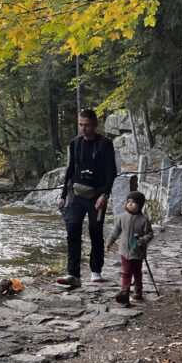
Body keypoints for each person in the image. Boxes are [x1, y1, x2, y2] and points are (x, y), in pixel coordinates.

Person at [55, 109, 117, 287]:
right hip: (76, 193)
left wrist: (105, 194)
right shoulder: (75, 143)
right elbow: (70, 169)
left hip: (97, 195)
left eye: (87, 125)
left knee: (95, 231)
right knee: (72, 229)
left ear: (95, 125)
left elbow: (111, 171)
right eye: (81, 125)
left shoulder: (104, 144)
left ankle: (96, 270)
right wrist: (63, 196)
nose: (83, 128)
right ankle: (73, 274)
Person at [106, 190, 155, 306]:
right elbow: (115, 231)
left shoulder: (143, 220)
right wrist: (110, 241)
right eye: (128, 202)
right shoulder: (122, 217)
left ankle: (138, 289)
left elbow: (150, 234)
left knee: (137, 271)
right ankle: (125, 291)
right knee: (126, 272)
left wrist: (143, 240)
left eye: (134, 202)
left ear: (140, 205)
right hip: (124, 251)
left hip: (137, 251)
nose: (130, 204)